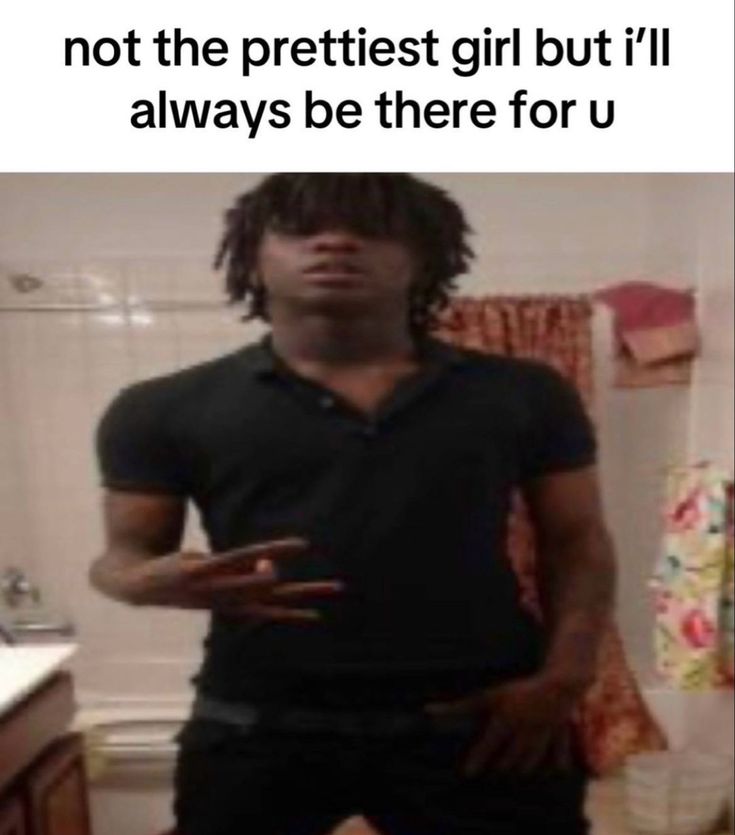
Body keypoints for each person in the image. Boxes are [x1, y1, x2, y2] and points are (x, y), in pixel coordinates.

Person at [90, 173, 617, 835]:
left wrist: (566, 677)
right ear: (253, 252)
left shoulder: (525, 392)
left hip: (484, 716)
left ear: (423, 256)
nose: (335, 241)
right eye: (301, 228)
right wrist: (140, 581)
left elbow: (577, 538)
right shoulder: (161, 407)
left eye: (372, 228)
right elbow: (123, 555)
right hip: (257, 721)